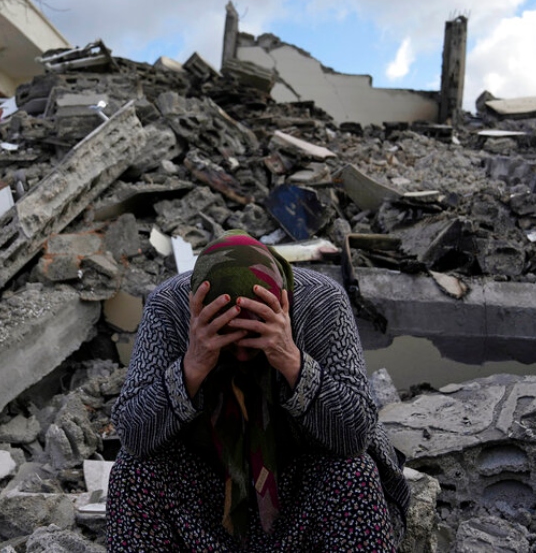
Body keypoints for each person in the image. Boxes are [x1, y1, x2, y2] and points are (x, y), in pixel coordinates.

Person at [106, 230, 409, 552]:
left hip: (300, 483)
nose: (240, 357)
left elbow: (356, 434)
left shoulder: (322, 302)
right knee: (131, 473)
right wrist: (191, 368)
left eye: (252, 343)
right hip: (207, 489)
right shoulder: (169, 306)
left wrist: (291, 361)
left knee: (354, 473)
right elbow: (133, 436)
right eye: (228, 342)